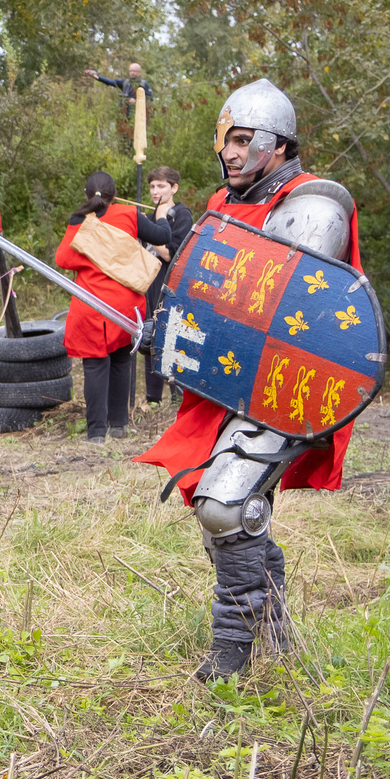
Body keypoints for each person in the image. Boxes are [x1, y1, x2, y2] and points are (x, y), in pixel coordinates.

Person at [134, 81, 359, 682]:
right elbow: (206, 293)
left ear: (277, 144)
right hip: (235, 381)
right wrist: (170, 329)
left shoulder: (315, 207)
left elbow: (294, 318)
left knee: (225, 506)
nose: (228, 153)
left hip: (287, 387)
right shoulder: (223, 203)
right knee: (226, 507)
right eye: (224, 140)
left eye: (241, 140)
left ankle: (231, 654)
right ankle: (276, 628)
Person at [49, 170, 173, 442]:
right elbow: (162, 234)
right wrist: (162, 212)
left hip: (92, 305)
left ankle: (96, 433)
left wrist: (90, 261)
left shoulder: (79, 221)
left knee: (94, 366)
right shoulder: (129, 214)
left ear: (87, 195)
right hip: (125, 306)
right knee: (120, 362)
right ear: (114, 195)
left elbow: (63, 259)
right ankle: (119, 426)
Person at [140, 167, 194, 403]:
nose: (155, 191)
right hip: (150, 284)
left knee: (171, 336)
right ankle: (153, 399)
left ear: (174, 188)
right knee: (149, 335)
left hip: (172, 285)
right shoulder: (152, 216)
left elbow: (172, 254)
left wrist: (156, 225)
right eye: (152, 186)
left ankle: (177, 395)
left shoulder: (181, 214)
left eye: (161, 186)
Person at [85, 62, 154, 151]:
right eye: (131, 71)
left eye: (134, 71)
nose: (132, 73)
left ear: (139, 72)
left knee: (136, 139)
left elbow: (150, 100)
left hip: (137, 118)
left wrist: (137, 101)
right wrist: (96, 77)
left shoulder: (144, 84)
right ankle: (124, 157)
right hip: (124, 116)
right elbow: (111, 82)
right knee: (123, 140)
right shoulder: (125, 83)